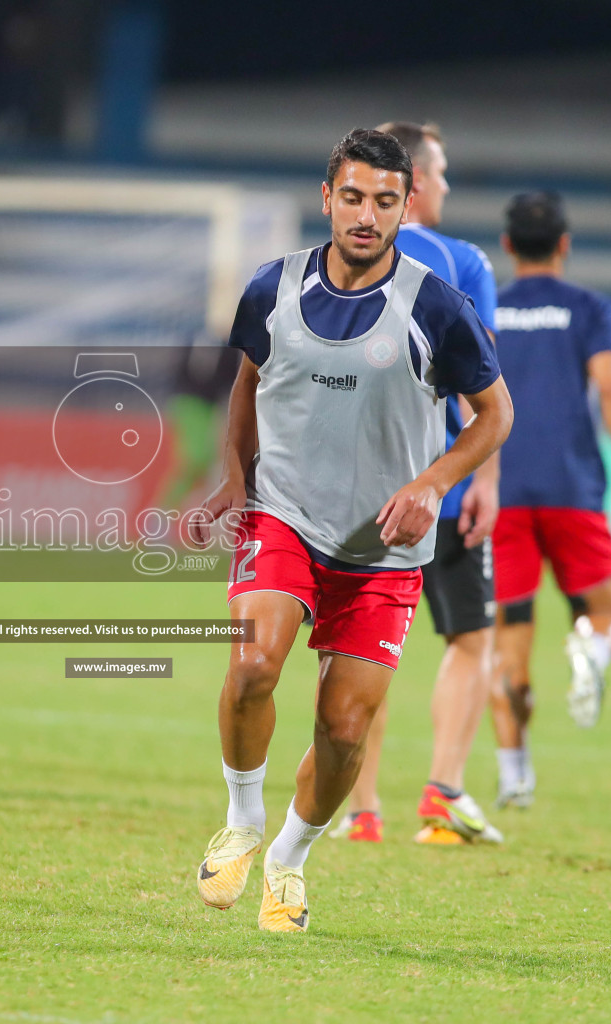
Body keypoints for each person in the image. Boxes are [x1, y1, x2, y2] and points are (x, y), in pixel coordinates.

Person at [189, 129, 512, 932]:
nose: (368, 215)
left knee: (345, 727)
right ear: (328, 196)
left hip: (383, 549)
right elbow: (247, 385)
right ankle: (242, 818)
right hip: (286, 514)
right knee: (255, 662)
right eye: (355, 197)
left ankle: (289, 862)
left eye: (387, 200)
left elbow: (496, 413)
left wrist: (434, 483)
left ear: (408, 208)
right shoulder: (273, 288)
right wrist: (234, 476)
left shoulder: (435, 304)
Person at [328, 120, 504, 845]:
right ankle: (443, 793)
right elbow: (486, 384)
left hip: (351, 494)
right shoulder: (463, 261)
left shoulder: (336, 259)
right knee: (469, 639)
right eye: (444, 172)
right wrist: (485, 481)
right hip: (442, 491)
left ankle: (361, 808)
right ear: (420, 183)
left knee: (352, 646)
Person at [487, 191, 611, 808]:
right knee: (608, 616)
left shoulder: (489, 309)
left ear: (507, 246)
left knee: (510, 642)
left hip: (500, 492)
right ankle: (593, 644)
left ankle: (513, 775)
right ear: (564, 242)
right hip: (571, 490)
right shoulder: (591, 309)